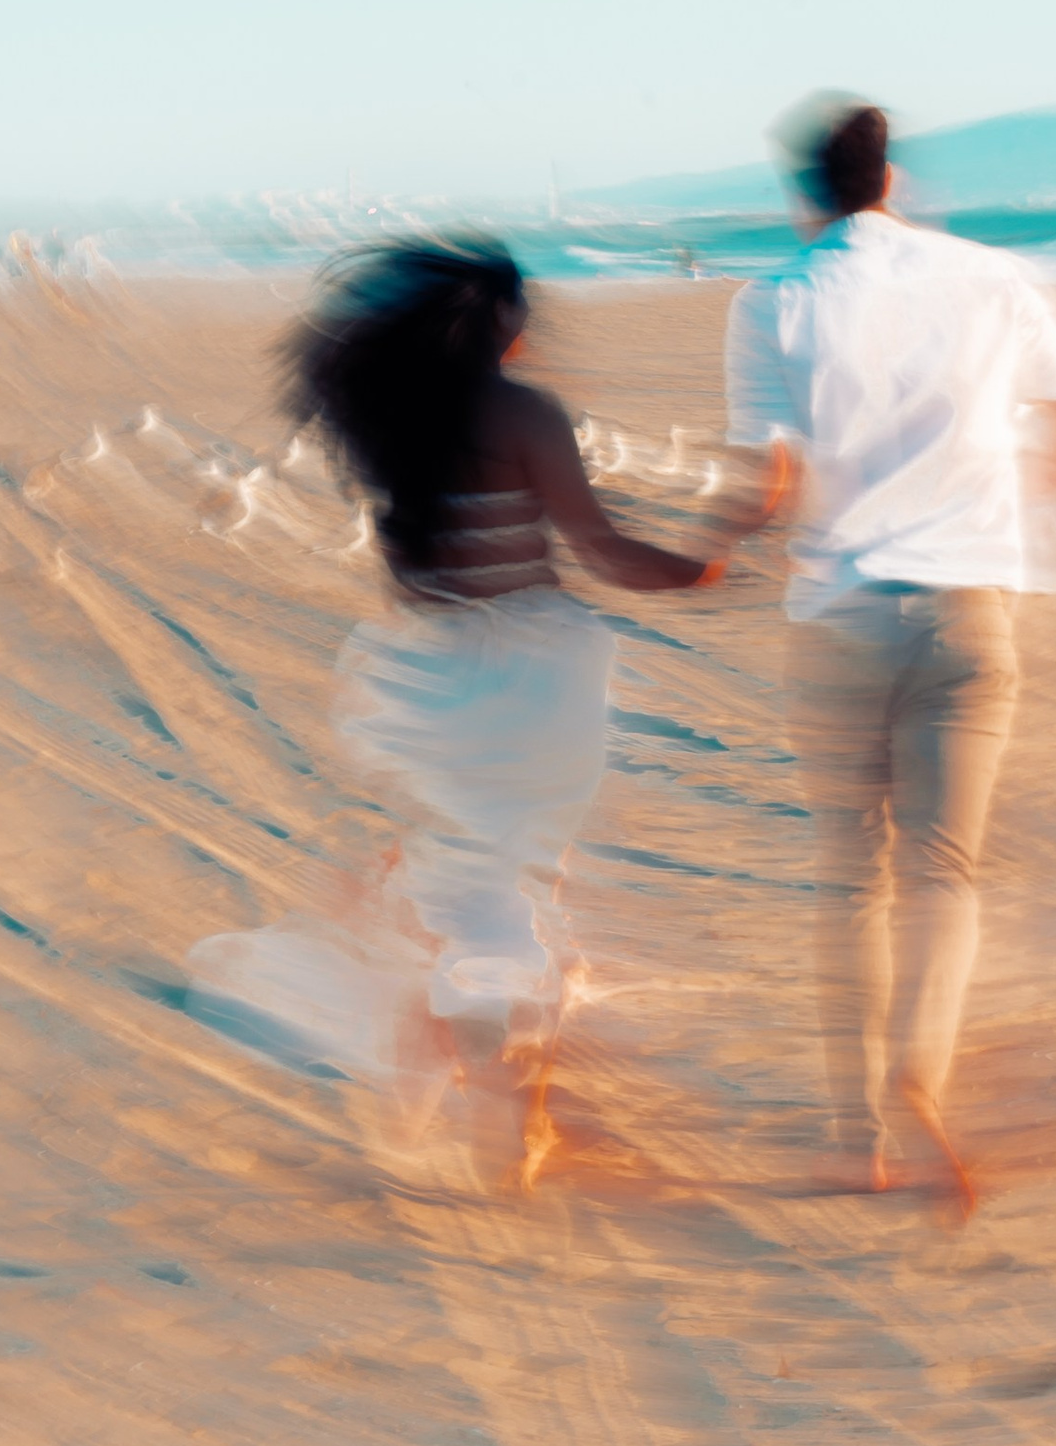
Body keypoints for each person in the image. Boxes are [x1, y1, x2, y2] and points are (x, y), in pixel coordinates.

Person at [723, 100, 1056, 1210]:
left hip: (839, 616)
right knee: (943, 875)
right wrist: (988, 501)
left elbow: (765, 485)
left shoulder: (772, 298)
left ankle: (854, 1133)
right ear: (893, 181)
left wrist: (703, 552)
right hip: (969, 612)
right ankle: (919, 1083)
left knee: (849, 877)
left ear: (803, 193)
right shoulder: (997, 279)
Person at [272, 241, 726, 1188]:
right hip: (530, 681)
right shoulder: (521, 412)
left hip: (428, 678)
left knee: (469, 873)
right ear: (499, 324)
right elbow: (602, 551)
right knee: (518, 886)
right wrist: (703, 568)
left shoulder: (388, 416)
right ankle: (497, 1094)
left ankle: (437, 1043)